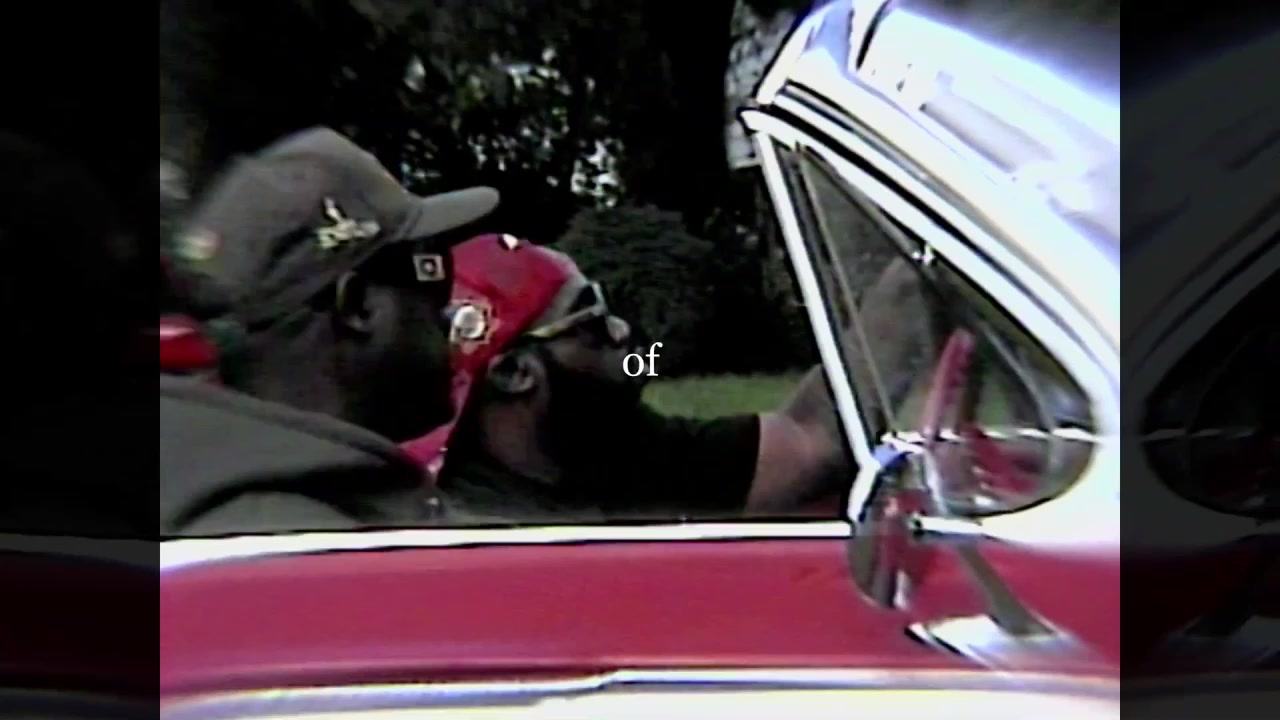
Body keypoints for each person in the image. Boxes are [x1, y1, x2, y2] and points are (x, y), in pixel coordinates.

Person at [160, 127, 499, 537]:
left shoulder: (211, 495)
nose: (448, 315)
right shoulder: (307, 540)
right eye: (433, 281)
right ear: (358, 306)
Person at [401, 234, 850, 524]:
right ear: (514, 373)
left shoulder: (611, 452)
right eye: (592, 322)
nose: (621, 331)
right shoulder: (474, 528)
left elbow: (808, 444)